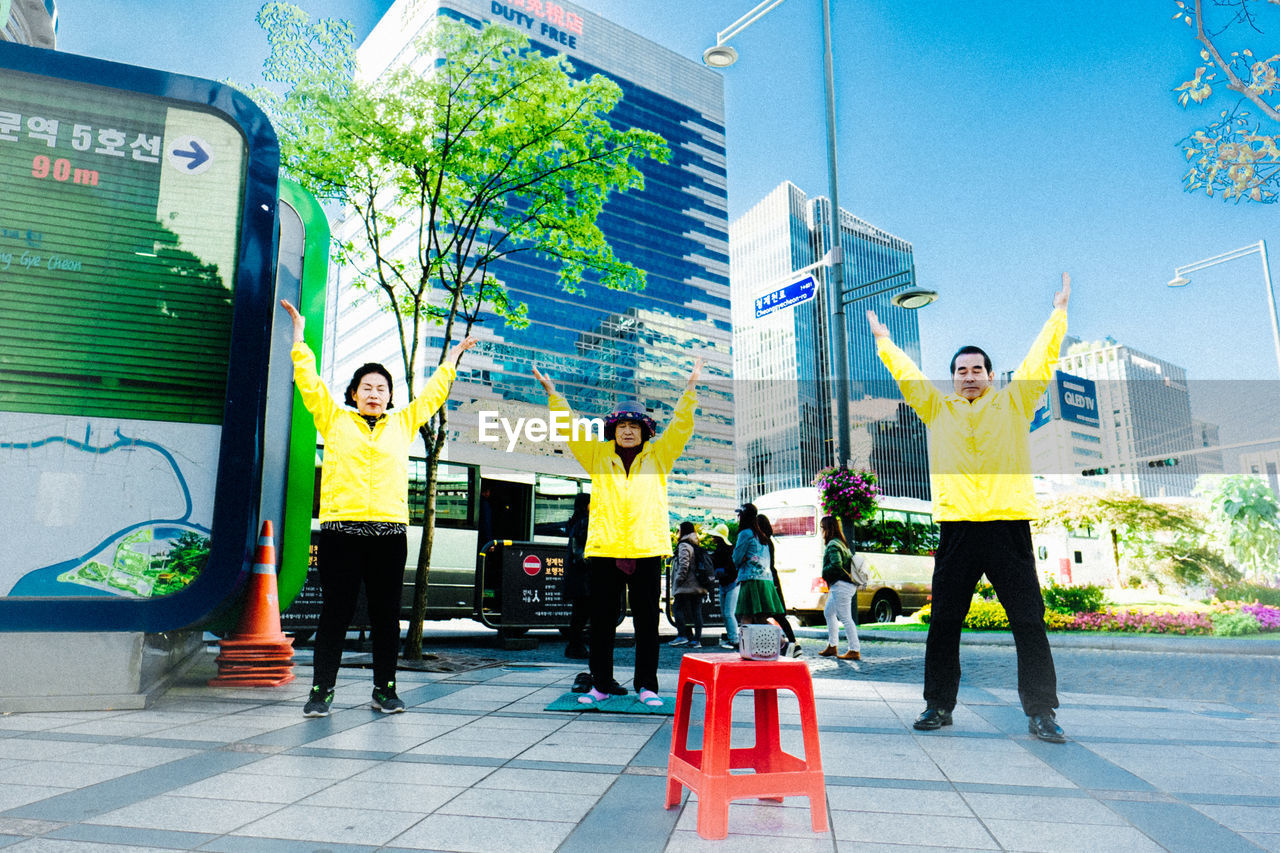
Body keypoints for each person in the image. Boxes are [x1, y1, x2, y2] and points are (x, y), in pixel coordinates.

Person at [866, 272, 1072, 743]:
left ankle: (1041, 711)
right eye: (961, 370)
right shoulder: (936, 409)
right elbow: (908, 377)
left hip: (1007, 527)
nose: (969, 376)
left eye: (977, 369)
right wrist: (884, 342)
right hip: (958, 529)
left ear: (991, 375)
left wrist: (1057, 314)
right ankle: (938, 705)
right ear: (953, 377)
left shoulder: (1016, 403)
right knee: (944, 623)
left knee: (1028, 621)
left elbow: (1041, 359)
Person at [280, 299, 476, 718]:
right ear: (354, 394)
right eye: (367, 388)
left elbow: (432, 395)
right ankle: (321, 691)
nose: (374, 394)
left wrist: (453, 359)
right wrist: (299, 338)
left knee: (387, 616)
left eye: (382, 389)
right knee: (335, 613)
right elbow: (308, 382)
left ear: (389, 397)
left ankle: (385, 690)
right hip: (340, 533)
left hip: (389, 534)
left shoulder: (403, 422)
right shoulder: (334, 419)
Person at [533, 358, 704, 707]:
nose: (628, 430)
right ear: (613, 429)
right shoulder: (596, 454)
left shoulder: (660, 456)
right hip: (604, 551)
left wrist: (690, 391)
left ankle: (647, 687)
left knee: (646, 624)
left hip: (646, 550)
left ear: (645, 431)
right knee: (601, 624)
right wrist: (554, 395)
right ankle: (600, 684)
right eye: (622, 425)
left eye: (635, 426)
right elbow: (569, 428)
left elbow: (681, 427)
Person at [733, 504, 801, 658]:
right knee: (760, 618)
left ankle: (747, 650)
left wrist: (743, 559)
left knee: (746, 617)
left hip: (751, 579)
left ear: (743, 516)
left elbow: (736, 559)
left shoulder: (745, 533)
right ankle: (784, 642)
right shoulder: (761, 535)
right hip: (766, 581)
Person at [819, 515, 861, 660]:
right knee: (829, 612)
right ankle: (832, 646)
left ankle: (854, 649)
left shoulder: (833, 544)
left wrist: (824, 572)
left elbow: (836, 565)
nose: (821, 531)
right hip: (844, 585)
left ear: (827, 529)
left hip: (841, 585)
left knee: (846, 618)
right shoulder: (841, 543)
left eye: (822, 528)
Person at [563, 493, 591, 660]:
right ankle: (576, 647)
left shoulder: (574, 521)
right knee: (583, 614)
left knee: (578, 614)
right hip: (585, 576)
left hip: (576, 575)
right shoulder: (585, 522)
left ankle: (574, 646)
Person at [670, 521, 706, 648]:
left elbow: (684, 564)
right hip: (697, 585)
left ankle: (682, 635)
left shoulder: (684, 545)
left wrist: (678, 580)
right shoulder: (695, 543)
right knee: (696, 611)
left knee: (677, 608)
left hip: (686, 585)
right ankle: (696, 639)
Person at [708, 523, 739, 649]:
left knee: (728, 613)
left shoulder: (721, 551)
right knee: (727, 613)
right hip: (731, 583)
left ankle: (734, 639)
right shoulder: (729, 549)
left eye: (714, 536)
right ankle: (732, 638)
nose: (712, 538)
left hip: (729, 584)